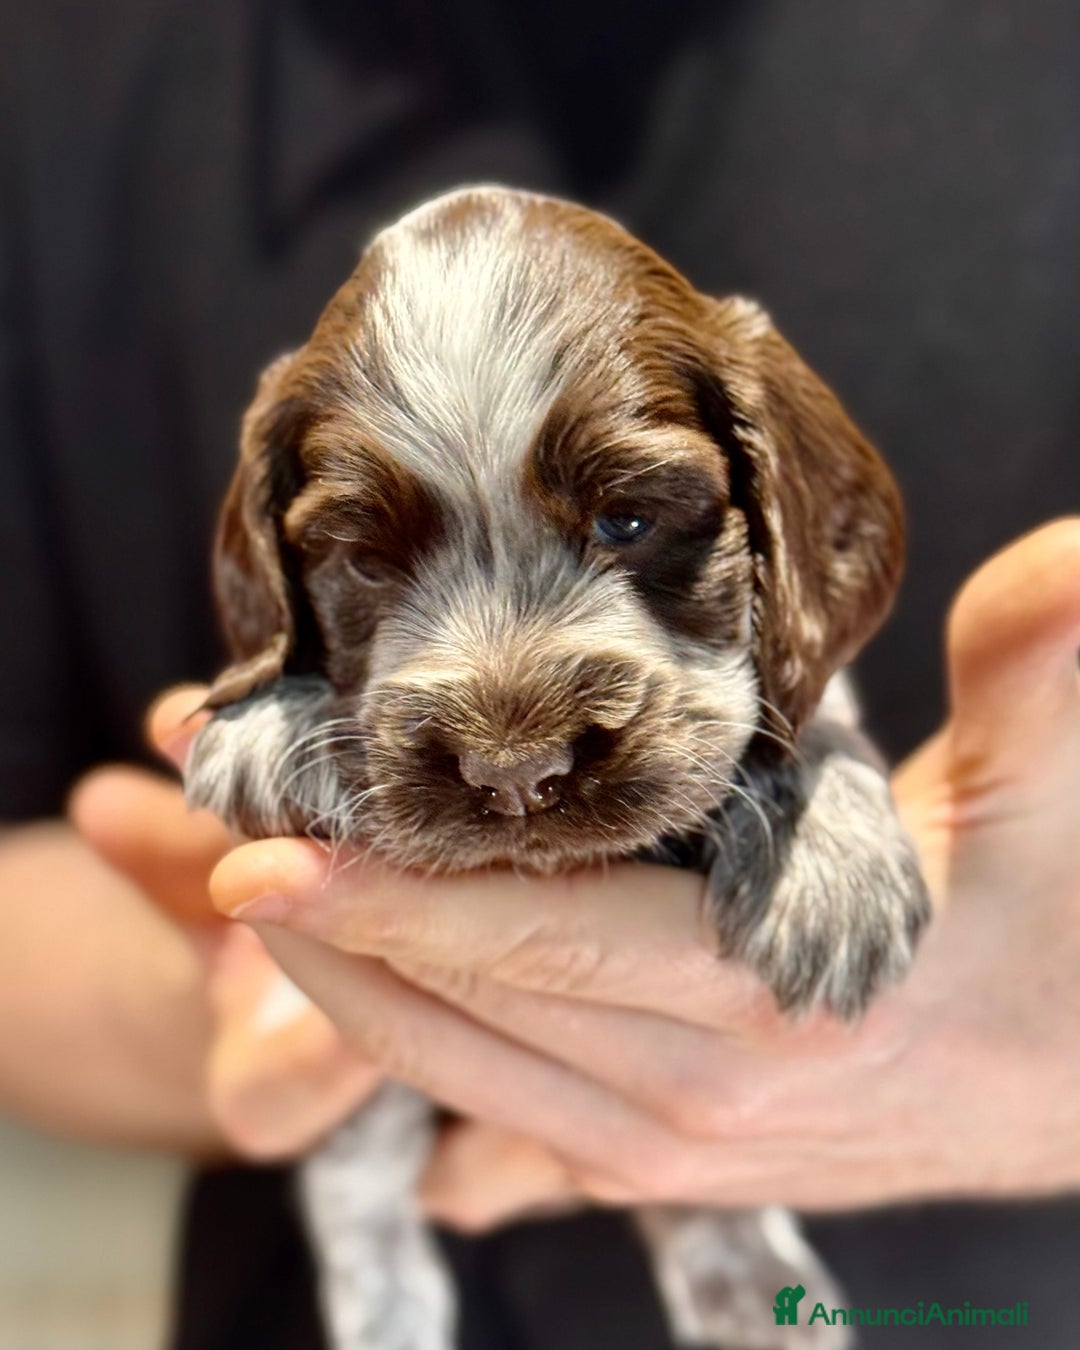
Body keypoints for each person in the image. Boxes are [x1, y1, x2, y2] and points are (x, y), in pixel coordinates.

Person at [3, 3, 1079, 1348]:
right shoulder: (62, 70)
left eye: (631, 522)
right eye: (371, 557)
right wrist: (294, 962)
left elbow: (814, 705)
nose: (509, 744)